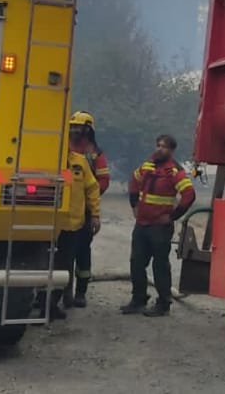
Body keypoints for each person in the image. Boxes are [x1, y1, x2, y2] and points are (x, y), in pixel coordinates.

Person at [122, 134, 195, 317]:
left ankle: (163, 303)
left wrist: (172, 216)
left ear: (171, 150)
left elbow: (189, 195)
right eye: (158, 145)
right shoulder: (147, 165)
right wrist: (134, 205)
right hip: (142, 224)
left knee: (160, 265)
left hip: (159, 228)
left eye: (163, 146)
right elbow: (134, 180)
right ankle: (138, 299)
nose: (159, 149)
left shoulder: (174, 171)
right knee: (136, 262)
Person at [33, 148, 102, 320]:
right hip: (45, 224)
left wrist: (94, 214)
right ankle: (42, 303)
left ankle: (51, 305)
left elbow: (92, 188)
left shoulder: (80, 162)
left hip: (72, 225)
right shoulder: (43, 157)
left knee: (63, 266)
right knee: (42, 264)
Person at [67, 111, 110, 307]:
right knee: (62, 255)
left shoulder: (96, 154)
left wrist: (90, 205)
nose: (75, 129)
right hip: (63, 207)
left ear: (88, 129)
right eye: (73, 126)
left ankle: (80, 292)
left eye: (79, 127)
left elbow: (102, 182)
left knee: (82, 252)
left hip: (83, 210)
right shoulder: (63, 147)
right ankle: (61, 293)